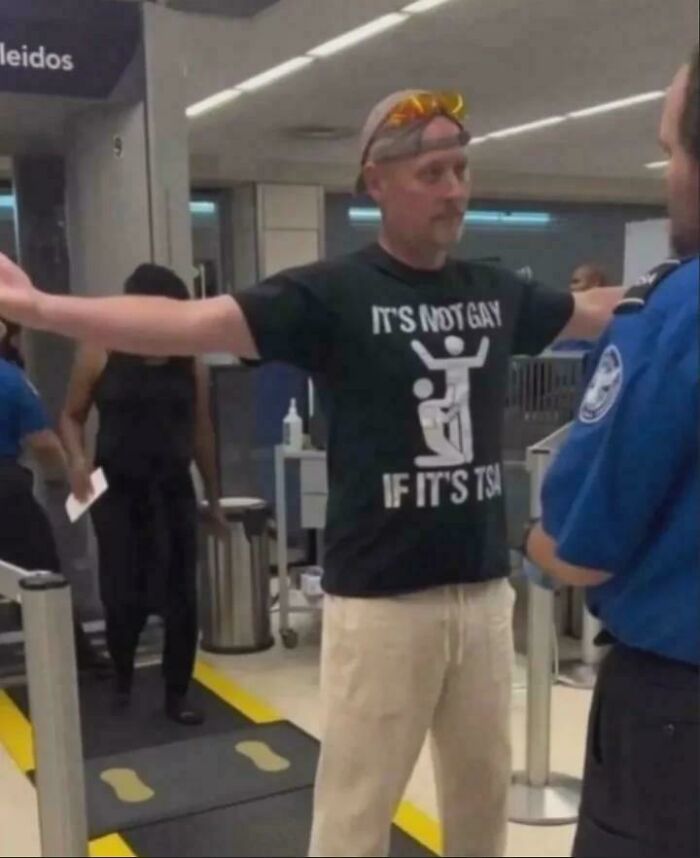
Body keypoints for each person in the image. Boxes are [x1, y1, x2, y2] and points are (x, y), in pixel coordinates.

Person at [0, 91, 623, 857]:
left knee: (480, 803)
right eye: (432, 172)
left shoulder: (495, 293)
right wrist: (41, 309)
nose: (456, 190)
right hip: (381, 606)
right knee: (354, 819)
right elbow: (187, 323)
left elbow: (605, 312)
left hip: (483, 595)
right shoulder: (333, 294)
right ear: (377, 182)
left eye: (461, 169)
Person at [525, 48, 699, 858]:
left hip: (675, 717)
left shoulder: (667, 317)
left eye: (671, 150)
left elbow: (582, 553)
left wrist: (513, 530)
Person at [60, 264, 226, 726]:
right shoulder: (99, 350)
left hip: (172, 487)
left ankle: (177, 694)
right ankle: (123, 680)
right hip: (116, 489)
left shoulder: (188, 359)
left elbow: (202, 431)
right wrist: (76, 460)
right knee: (123, 593)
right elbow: (71, 416)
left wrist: (213, 498)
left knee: (181, 598)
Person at [0, 322, 108, 675]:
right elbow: (45, 444)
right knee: (40, 575)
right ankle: (72, 657)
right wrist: (65, 482)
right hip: (6, 491)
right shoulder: (11, 378)